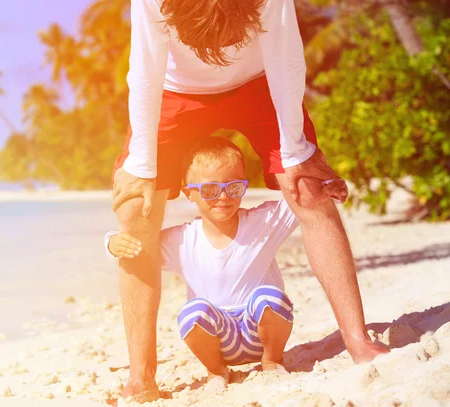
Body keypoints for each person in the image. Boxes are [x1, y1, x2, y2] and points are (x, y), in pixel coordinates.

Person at [110, 0, 389, 401]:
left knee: (306, 189)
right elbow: (146, 69)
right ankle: (141, 375)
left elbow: (287, 59)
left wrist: (295, 153)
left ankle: (358, 340)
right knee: (136, 209)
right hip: (175, 91)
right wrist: (140, 163)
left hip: (257, 81)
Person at [107, 138, 298, 392]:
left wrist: (329, 184)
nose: (223, 197)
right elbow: (140, 249)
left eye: (234, 188)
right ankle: (217, 371)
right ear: (189, 194)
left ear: (244, 186)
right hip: (218, 339)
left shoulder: (262, 223)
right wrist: (111, 243)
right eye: (209, 190)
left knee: (270, 298)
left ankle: (272, 361)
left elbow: (302, 200)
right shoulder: (183, 240)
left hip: (261, 332)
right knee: (192, 312)